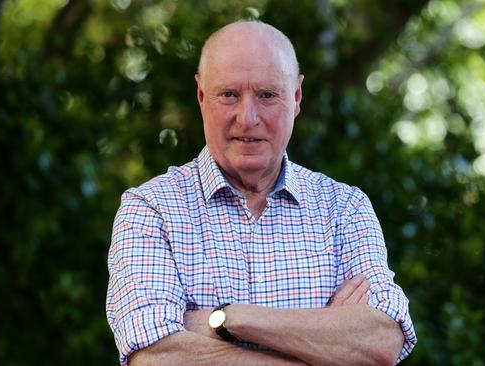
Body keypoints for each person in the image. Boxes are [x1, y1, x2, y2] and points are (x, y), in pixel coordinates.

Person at [106, 20, 416, 365]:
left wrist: (227, 319)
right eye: (229, 94)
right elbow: (155, 357)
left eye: (267, 95)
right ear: (201, 96)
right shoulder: (151, 209)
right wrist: (324, 349)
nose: (247, 117)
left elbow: (381, 339)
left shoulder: (344, 209)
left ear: (296, 97)